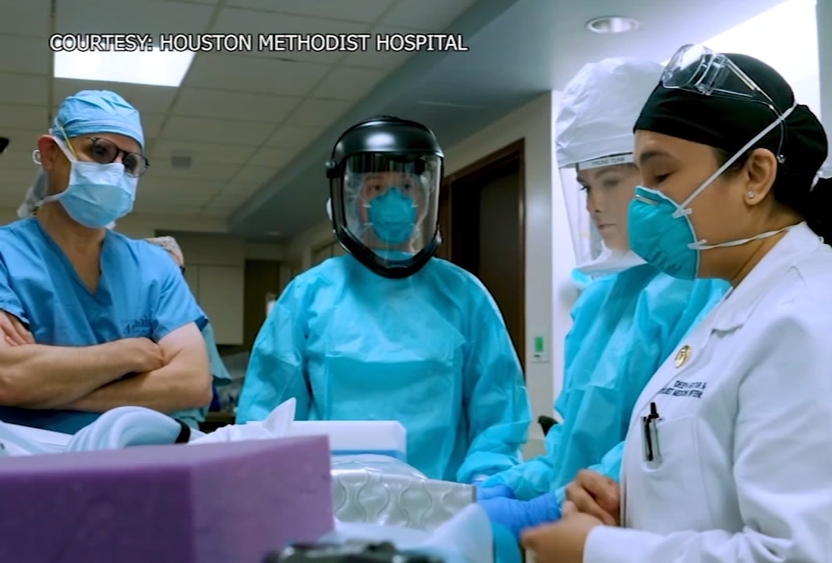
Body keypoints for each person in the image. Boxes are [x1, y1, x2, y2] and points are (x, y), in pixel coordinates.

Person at [521, 46, 832, 563]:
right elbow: (711, 487)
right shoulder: (744, 307)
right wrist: (629, 505)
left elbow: (804, 555)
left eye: (659, 177)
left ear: (755, 175)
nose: (642, 202)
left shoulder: (821, 319)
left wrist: (597, 549)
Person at [474, 58, 727, 539]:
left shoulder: (703, 284)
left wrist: (555, 505)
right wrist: (523, 483)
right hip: (585, 531)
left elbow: (668, 440)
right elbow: (574, 440)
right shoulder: (601, 298)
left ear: (659, 175)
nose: (593, 204)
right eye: (586, 186)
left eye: (610, 181)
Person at [237, 116, 531, 483]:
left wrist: (486, 486)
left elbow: (498, 414)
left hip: (442, 499)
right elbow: (267, 414)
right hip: (329, 499)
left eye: (406, 186)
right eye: (376, 187)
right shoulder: (309, 295)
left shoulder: (463, 294)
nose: (393, 200)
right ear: (351, 199)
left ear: (423, 199)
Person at [0, 90, 212, 434]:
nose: (116, 170)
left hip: (134, 459)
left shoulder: (155, 267)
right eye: (100, 151)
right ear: (51, 153)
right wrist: (127, 354)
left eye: (129, 163)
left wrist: (52, 390)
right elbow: (7, 378)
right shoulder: (6, 255)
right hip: (28, 461)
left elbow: (192, 383)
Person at [143, 236, 233, 430]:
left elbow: (195, 388)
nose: (170, 279)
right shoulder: (125, 314)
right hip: (128, 421)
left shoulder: (194, 322)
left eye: (177, 272)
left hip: (182, 424)